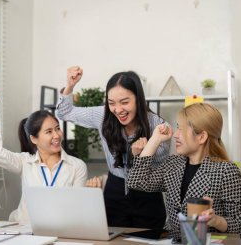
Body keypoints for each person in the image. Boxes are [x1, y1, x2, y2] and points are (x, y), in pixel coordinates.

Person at [56, 66, 170, 229]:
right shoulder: (103, 115)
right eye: (111, 103)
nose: (118, 109)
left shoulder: (159, 127)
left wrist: (141, 153)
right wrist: (70, 85)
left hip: (147, 195)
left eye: (124, 102)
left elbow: (158, 167)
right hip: (114, 190)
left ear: (138, 98)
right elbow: (64, 113)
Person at [127, 103, 241, 241]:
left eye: (181, 129)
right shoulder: (173, 164)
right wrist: (155, 140)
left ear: (201, 137)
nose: (175, 135)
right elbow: (136, 182)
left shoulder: (225, 171)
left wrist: (216, 220)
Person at [0, 91, 88, 224]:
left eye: (57, 129)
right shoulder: (25, 162)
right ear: (34, 139)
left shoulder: (77, 166)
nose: (56, 135)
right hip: (24, 230)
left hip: (61, 230)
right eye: (49, 132)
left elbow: (77, 208)